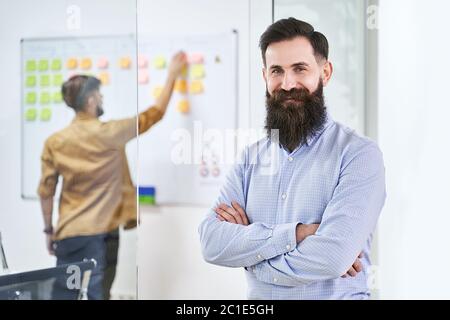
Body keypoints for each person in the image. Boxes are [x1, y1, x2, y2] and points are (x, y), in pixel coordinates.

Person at [199, 18, 386, 299]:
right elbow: (211, 242)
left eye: (300, 69)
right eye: (277, 71)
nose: (287, 84)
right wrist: (299, 234)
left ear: (325, 72)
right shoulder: (251, 158)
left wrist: (252, 259)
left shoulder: (358, 155)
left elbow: (333, 256)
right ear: (265, 76)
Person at [38, 51, 187, 300]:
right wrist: (172, 73)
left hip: (70, 233)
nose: (101, 98)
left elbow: (46, 192)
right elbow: (156, 113)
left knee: (64, 295)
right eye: (98, 94)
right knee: (99, 294)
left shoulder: (55, 142)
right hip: (102, 233)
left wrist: (48, 230)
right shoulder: (111, 132)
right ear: (90, 100)